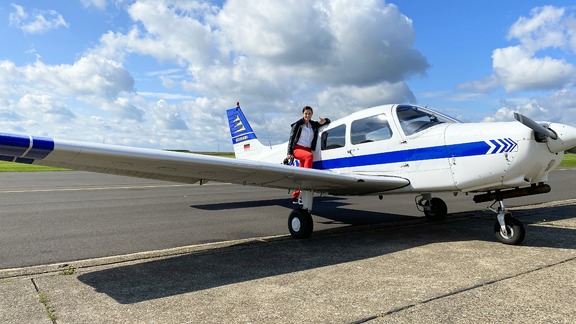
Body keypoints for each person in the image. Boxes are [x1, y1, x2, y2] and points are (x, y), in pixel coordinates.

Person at [287, 105, 330, 204]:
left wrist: (324, 120)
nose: (307, 115)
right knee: (309, 157)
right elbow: (291, 139)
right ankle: (306, 185)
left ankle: (295, 196)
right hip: (297, 149)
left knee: (301, 173)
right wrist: (289, 153)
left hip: (307, 149)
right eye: (306, 113)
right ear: (303, 114)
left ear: (312, 114)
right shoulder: (298, 125)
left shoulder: (313, 125)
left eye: (309, 113)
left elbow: (327, 121)